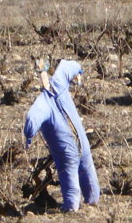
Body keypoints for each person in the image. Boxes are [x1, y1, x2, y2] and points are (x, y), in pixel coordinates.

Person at [22, 58, 100, 212]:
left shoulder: (43, 103)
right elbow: (67, 66)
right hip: (81, 141)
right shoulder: (59, 83)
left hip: (65, 147)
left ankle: (72, 207)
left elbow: (32, 119)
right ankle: (92, 201)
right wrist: (78, 71)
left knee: (69, 174)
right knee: (87, 170)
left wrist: (29, 136)